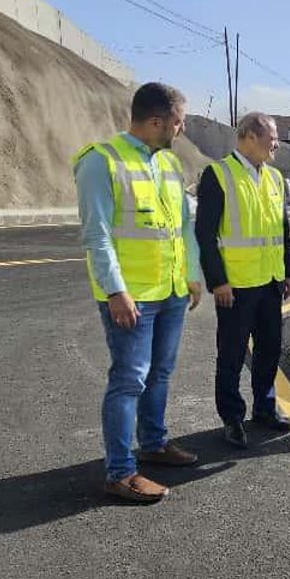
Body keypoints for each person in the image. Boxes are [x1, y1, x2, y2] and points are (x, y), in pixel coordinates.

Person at [73, 82, 202, 503]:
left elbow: (182, 226)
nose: (181, 130)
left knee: (160, 373)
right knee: (129, 379)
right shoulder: (101, 162)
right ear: (155, 121)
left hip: (170, 291)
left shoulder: (168, 165)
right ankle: (120, 471)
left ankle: (154, 443)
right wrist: (115, 291)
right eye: (178, 122)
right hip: (132, 296)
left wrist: (192, 275)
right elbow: (97, 235)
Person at [195, 112, 290, 448]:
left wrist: (288, 272)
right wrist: (217, 281)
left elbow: (282, 230)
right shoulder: (218, 174)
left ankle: (265, 408)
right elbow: (205, 234)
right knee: (232, 354)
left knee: (269, 351)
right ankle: (232, 417)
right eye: (271, 137)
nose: (276, 143)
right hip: (235, 287)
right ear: (249, 136)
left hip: (270, 282)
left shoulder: (276, 178)